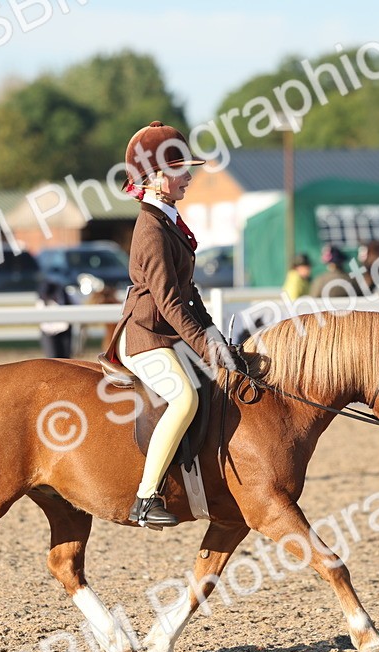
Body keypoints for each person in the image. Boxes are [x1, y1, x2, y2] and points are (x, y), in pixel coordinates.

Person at [108, 120, 246, 528]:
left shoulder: (167, 219)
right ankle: (146, 498)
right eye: (180, 170)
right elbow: (168, 301)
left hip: (169, 332)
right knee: (184, 398)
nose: (188, 177)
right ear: (153, 178)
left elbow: (189, 291)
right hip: (147, 336)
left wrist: (214, 335)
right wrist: (204, 348)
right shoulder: (150, 228)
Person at [36, 276, 73, 358]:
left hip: (64, 330)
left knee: (66, 360)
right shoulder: (41, 301)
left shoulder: (65, 296)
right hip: (48, 332)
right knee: (53, 359)